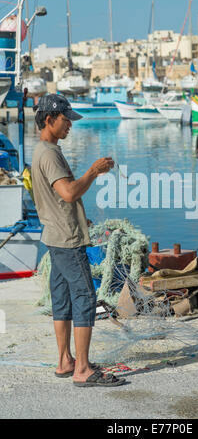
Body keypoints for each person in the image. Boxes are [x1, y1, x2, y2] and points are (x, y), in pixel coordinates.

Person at [31, 94, 125, 387]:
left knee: (62, 299)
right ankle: (82, 369)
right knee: (84, 297)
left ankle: (65, 361)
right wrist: (94, 172)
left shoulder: (42, 151)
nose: (70, 125)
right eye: (65, 120)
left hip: (54, 235)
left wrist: (76, 216)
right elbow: (70, 192)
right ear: (49, 120)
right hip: (67, 241)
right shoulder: (49, 153)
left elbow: (56, 197)